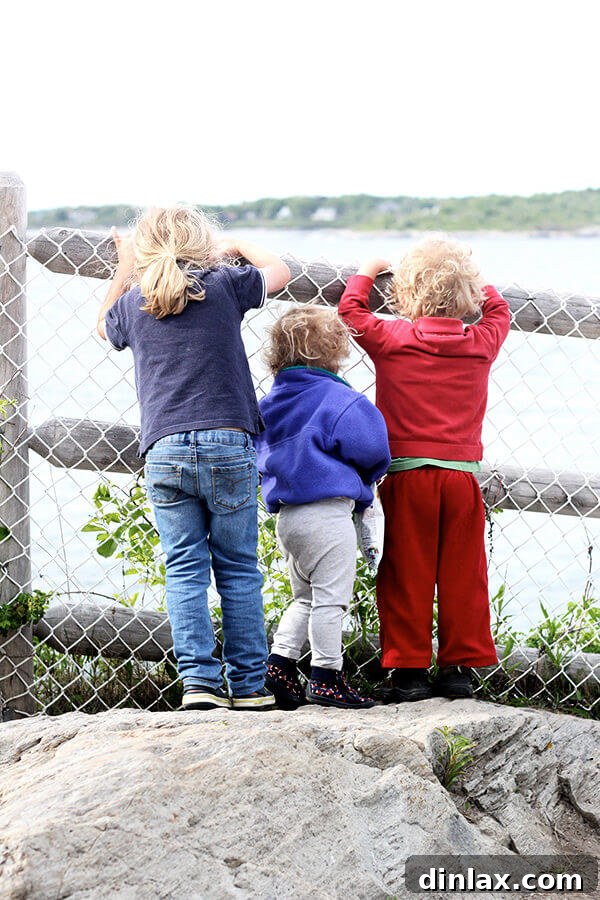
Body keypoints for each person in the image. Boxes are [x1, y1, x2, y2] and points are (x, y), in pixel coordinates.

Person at [96, 206, 290, 711]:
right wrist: (238, 246)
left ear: (144, 252)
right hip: (229, 443)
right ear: (203, 244)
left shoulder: (136, 301)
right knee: (239, 568)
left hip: (164, 450)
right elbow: (280, 271)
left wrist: (124, 268)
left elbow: (103, 327)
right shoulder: (224, 284)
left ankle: (199, 684)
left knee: (184, 568)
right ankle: (248, 685)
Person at [338, 238, 510, 702]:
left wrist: (370, 268)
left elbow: (351, 312)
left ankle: (409, 670)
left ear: (405, 296)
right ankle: (458, 668)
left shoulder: (392, 339)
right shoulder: (481, 342)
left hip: (406, 476)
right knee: (463, 574)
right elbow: (501, 313)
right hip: (460, 479)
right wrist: (480, 282)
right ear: (469, 297)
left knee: (403, 572)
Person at [254, 306, 391, 709]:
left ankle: (278, 668)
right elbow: (373, 449)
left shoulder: (270, 403)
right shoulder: (340, 400)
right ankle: (327, 677)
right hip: (328, 514)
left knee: (305, 598)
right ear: (336, 352)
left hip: (289, 518)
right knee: (332, 599)